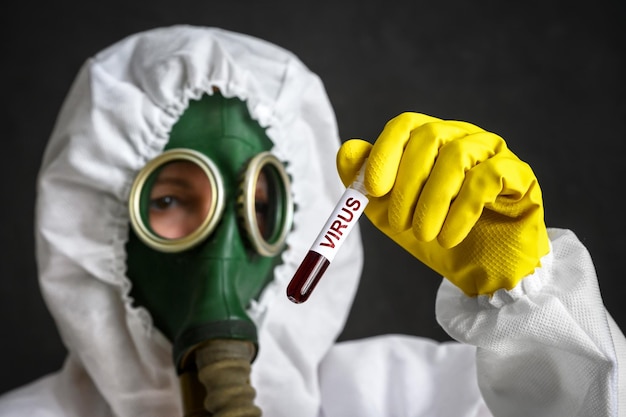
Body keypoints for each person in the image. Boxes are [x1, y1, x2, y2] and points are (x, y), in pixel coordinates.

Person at [0, 24, 623, 417]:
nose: (222, 248)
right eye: (167, 201)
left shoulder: (405, 400)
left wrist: (526, 302)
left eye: (261, 206)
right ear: (98, 217)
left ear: (295, 230)